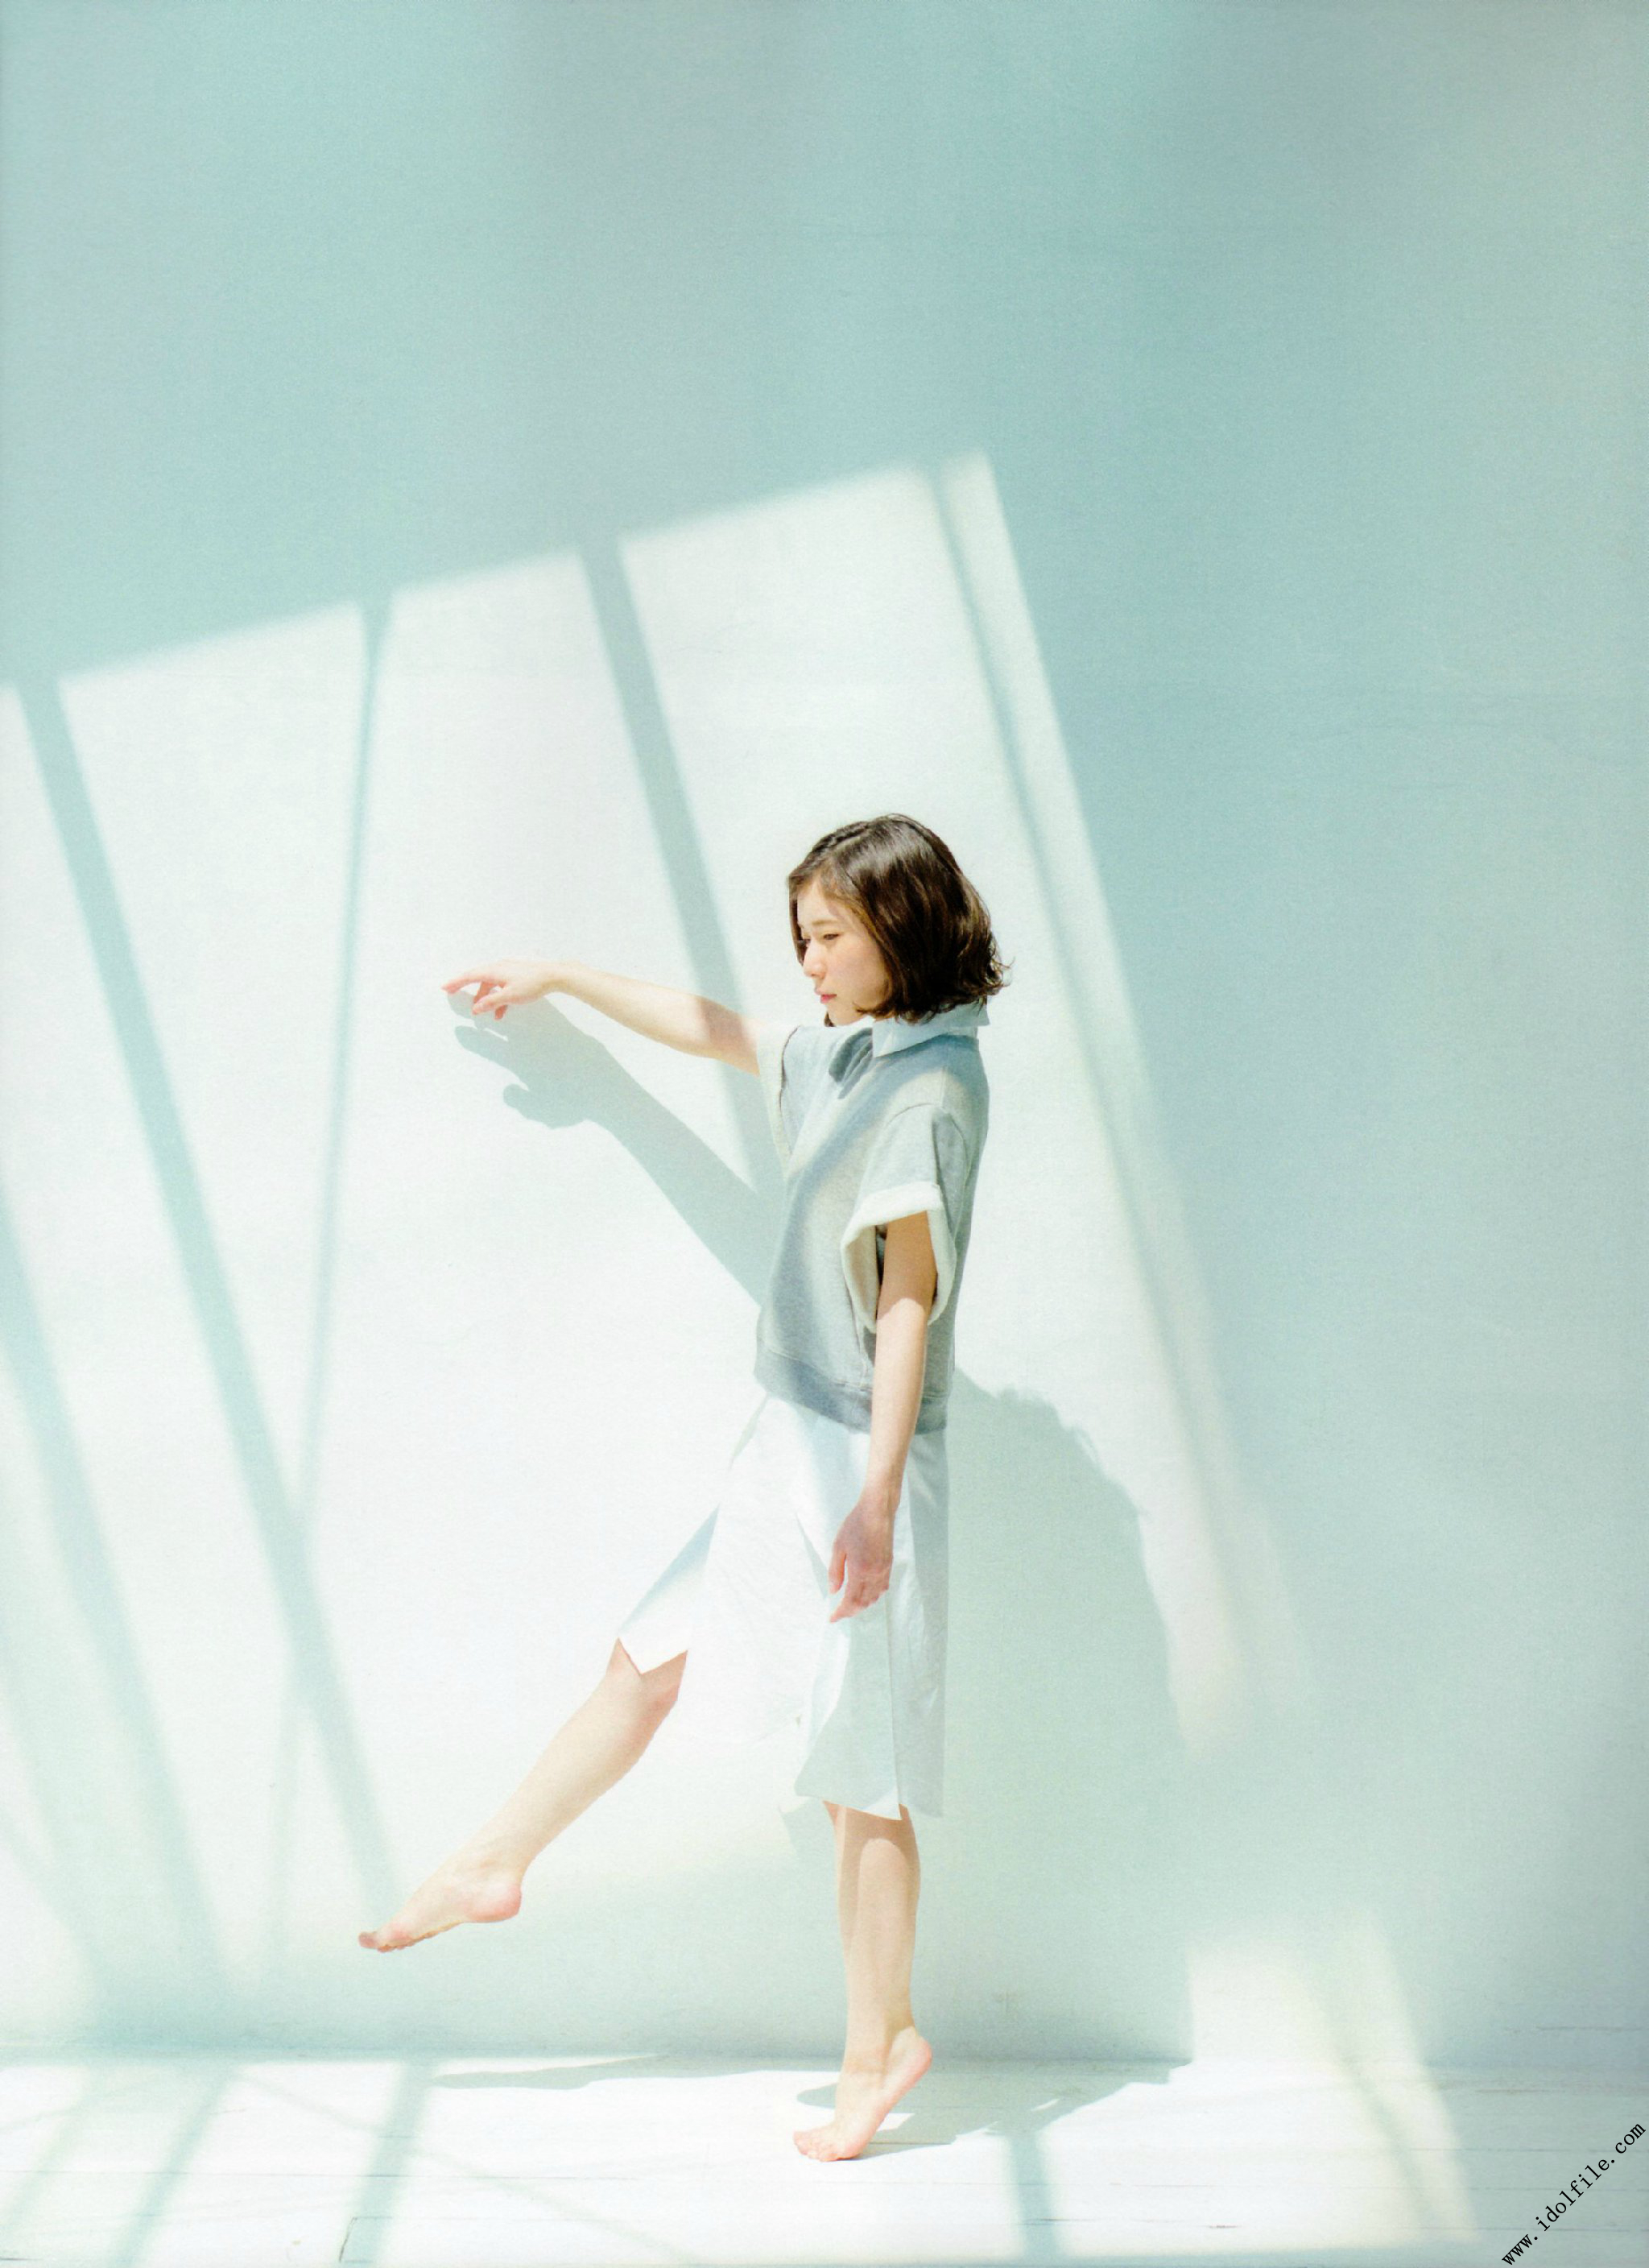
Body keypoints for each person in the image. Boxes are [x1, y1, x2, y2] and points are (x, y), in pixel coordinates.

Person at [357, 813, 1008, 2160]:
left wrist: (878, 1501)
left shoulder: (931, 1089)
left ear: (900, 929)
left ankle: (880, 2044)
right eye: (802, 937)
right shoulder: (852, 1052)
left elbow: (908, 1303)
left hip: (863, 1457)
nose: (808, 962)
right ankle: (493, 1861)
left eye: (828, 936)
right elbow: (723, 1031)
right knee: (650, 1654)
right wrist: (564, 976)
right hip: (793, 1433)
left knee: (865, 1776)